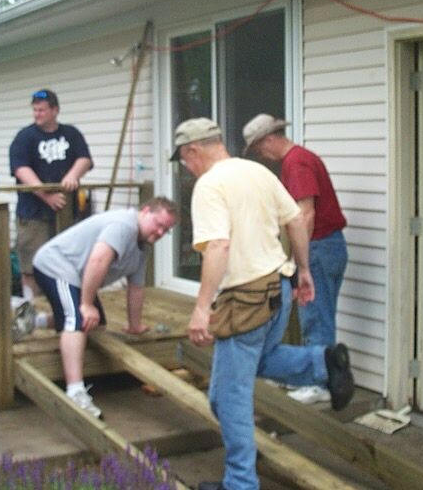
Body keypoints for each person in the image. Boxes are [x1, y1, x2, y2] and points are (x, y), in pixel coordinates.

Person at [171, 117, 354, 490]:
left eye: (184, 160)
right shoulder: (258, 172)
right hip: (278, 287)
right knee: (261, 361)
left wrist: (202, 308)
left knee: (228, 398)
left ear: (193, 150)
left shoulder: (209, 185)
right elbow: (297, 220)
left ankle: (240, 483)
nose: (186, 167)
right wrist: (303, 270)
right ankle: (324, 363)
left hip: (246, 297)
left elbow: (218, 246)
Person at [32, 197, 179, 418]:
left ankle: (35, 321)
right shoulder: (124, 226)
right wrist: (86, 304)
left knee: (97, 323)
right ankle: (75, 391)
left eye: (165, 230)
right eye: (158, 224)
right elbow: (98, 261)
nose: (160, 232)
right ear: (145, 211)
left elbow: (136, 288)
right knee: (78, 319)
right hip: (55, 265)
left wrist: (135, 325)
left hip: (77, 276)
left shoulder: (143, 246)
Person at [242, 114, 348, 406]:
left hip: (318, 247)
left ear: (269, 139)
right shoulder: (300, 159)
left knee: (315, 317)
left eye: (259, 148)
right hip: (327, 246)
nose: (261, 155)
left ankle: (320, 383)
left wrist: (298, 261)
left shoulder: (296, 163)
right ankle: (313, 375)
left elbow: (305, 215)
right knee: (317, 314)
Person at [10, 89, 93, 301]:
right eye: (35, 110)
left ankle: (63, 307)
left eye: (42, 110)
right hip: (33, 215)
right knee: (31, 267)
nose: (37, 114)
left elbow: (85, 158)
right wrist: (45, 195)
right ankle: (31, 307)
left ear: (55, 110)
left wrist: (73, 175)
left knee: (66, 265)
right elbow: (21, 169)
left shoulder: (71, 134)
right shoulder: (25, 137)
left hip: (66, 215)